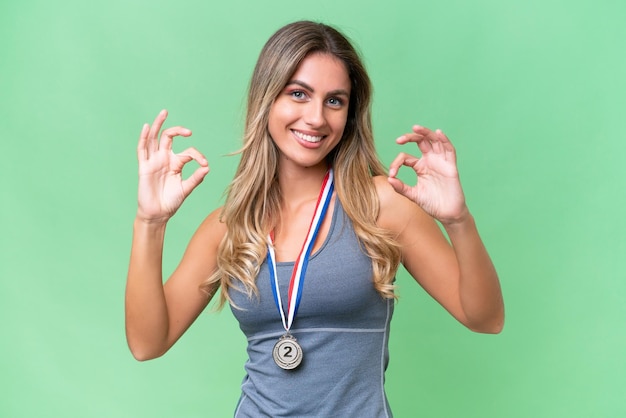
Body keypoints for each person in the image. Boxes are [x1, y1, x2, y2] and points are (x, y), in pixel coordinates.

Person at [125, 20, 504, 417]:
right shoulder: (228, 227)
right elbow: (148, 343)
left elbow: (486, 318)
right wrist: (149, 222)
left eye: (335, 101)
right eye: (299, 94)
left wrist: (458, 220)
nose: (317, 118)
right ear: (267, 99)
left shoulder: (380, 204)